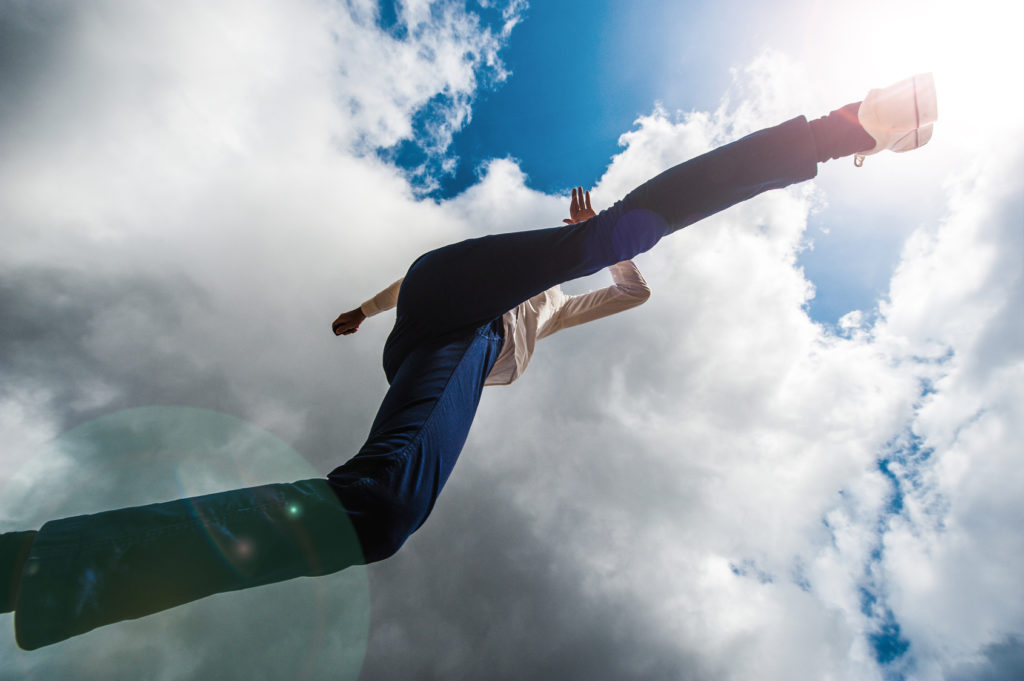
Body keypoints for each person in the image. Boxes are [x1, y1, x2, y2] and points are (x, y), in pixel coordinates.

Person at [0, 74, 937, 650]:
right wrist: (363, 309)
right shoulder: (539, 280)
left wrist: (595, 248)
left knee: (384, 512)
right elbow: (410, 283)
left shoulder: (559, 316)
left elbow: (638, 293)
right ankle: (848, 124)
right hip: (451, 289)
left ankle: (53, 566)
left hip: (453, 338)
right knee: (599, 236)